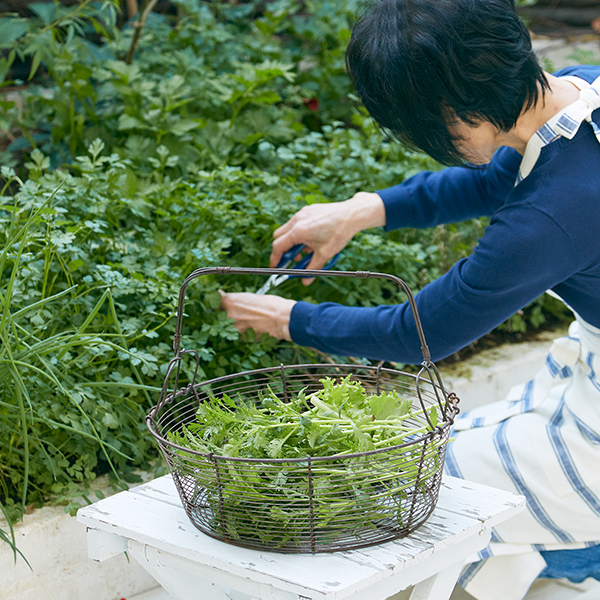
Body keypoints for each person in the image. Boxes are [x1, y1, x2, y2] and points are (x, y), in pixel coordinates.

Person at [220, 0, 600, 597]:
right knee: (473, 455)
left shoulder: (554, 215)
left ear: (458, 113)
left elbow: (420, 331)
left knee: (427, 493)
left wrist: (288, 318)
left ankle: (582, 551)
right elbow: (499, 174)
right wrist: (361, 211)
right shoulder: (580, 93)